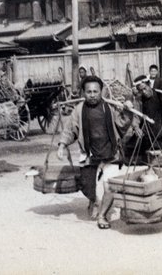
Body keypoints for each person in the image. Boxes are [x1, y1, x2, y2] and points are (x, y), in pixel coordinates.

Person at [57, 75, 135, 229]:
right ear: (83, 93)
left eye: (95, 91)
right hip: (89, 154)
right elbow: (70, 130)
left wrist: (127, 111)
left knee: (110, 187)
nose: (92, 95)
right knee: (87, 186)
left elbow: (122, 124)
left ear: (101, 91)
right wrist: (62, 145)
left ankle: (102, 215)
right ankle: (93, 200)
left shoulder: (109, 107)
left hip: (111, 153)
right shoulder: (79, 111)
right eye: (89, 92)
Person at [128, 75, 162, 161]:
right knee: (148, 156)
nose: (144, 92)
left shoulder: (160, 94)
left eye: (145, 88)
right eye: (141, 90)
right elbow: (136, 115)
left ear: (149, 85)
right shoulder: (139, 99)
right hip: (147, 132)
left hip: (161, 130)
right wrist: (136, 127)